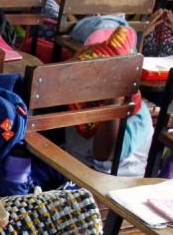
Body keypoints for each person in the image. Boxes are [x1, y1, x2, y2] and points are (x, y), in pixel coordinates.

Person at [63, 26, 154, 177]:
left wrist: (114, 98)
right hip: (74, 170)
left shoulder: (137, 117)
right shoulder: (84, 103)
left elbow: (103, 153)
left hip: (113, 185)